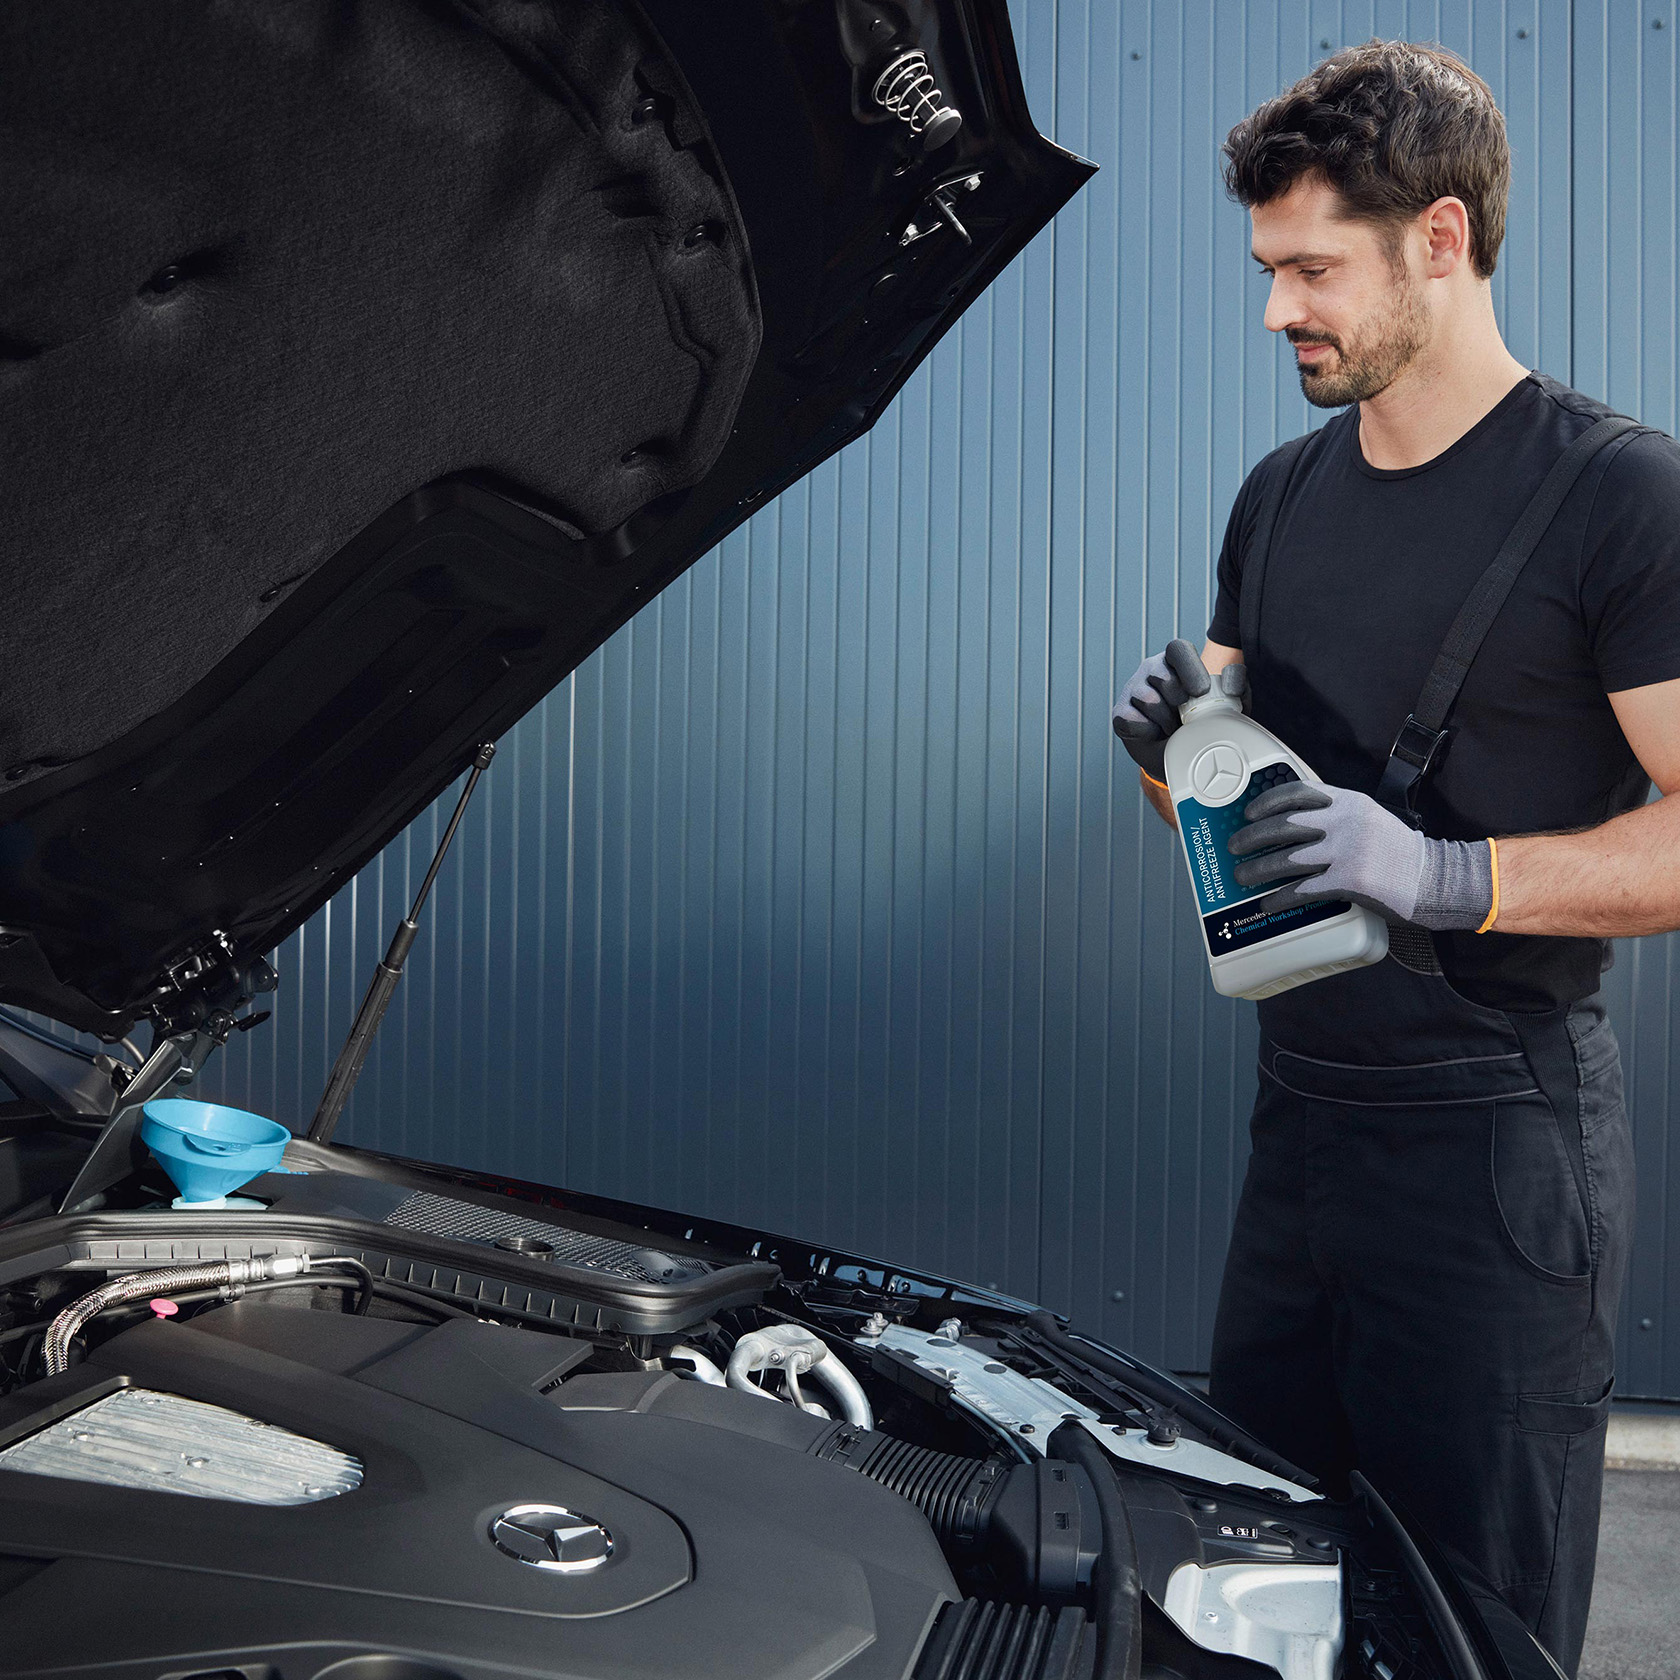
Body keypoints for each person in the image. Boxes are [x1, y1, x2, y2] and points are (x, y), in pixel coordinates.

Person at [1111, 41, 1680, 1676]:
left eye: (1312, 270)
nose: (1275, 310)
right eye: (1268, 268)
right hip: (1304, 1124)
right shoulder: (1278, 499)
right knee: (1259, 1579)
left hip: (1497, 1154)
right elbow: (1241, 834)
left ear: (1441, 239)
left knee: (1467, 1628)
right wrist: (1166, 759)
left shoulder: (1619, 500)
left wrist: (1446, 878)